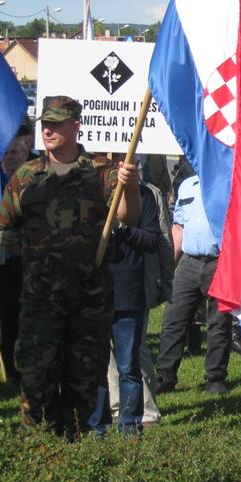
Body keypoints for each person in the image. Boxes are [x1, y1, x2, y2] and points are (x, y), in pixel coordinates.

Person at [0, 95, 140, 438]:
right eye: (45, 124)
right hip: (40, 301)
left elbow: (128, 217)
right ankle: (41, 449)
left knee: (83, 383)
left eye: (56, 124)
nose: (48, 131)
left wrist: (130, 187)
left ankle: (73, 451)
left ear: (75, 126)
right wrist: (39, 256)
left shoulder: (102, 172)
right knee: (36, 380)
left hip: (88, 301)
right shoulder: (27, 175)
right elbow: (2, 230)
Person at [89, 180, 163, 435]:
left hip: (128, 293)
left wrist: (123, 228)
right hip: (94, 292)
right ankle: (98, 426)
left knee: (129, 365)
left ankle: (130, 425)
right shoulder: (87, 191)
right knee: (96, 365)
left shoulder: (142, 194)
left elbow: (152, 240)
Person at [155, 173, 233, 395]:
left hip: (220, 261)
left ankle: (215, 378)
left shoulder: (230, 183)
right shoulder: (188, 185)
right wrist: (169, 267)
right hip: (189, 262)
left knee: (219, 323)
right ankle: (165, 376)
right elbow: (179, 227)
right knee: (173, 319)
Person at [0, 119, 35, 385]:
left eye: (16, 152)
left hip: (33, 261)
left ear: (26, 152)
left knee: (32, 314)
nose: (11, 157)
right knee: (9, 315)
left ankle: (33, 364)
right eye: (7, 153)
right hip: (5, 261)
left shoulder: (37, 182)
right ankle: (11, 368)